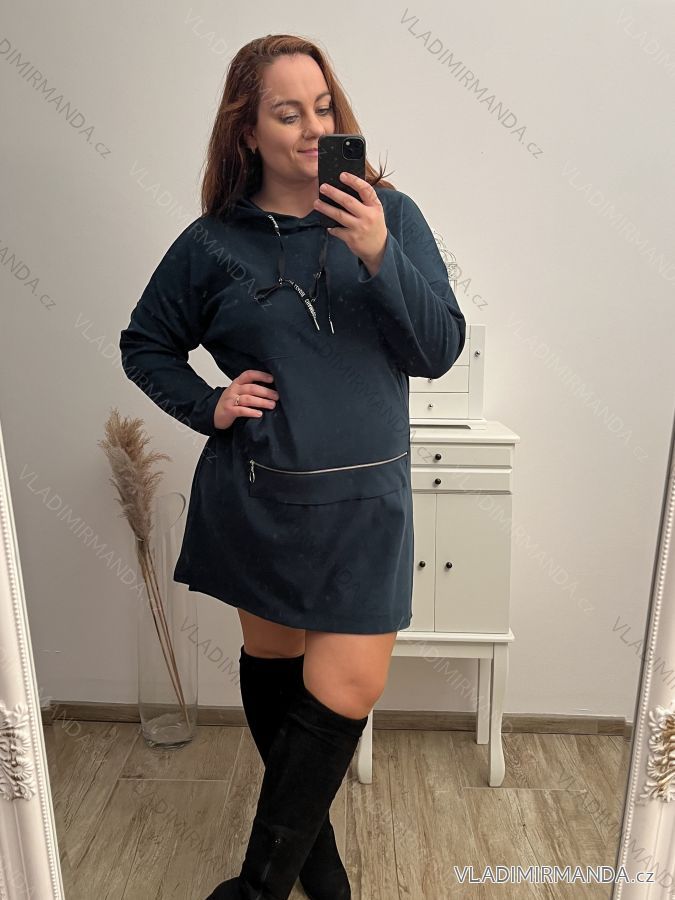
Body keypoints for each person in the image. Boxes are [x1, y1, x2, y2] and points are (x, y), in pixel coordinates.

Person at [119, 33, 466, 900]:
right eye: (287, 113)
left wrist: (378, 252)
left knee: (347, 686)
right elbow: (145, 343)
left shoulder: (391, 216)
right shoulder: (212, 243)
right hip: (260, 500)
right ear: (248, 130)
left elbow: (437, 351)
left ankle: (257, 887)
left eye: (322, 107)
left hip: (367, 505)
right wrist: (209, 404)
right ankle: (315, 858)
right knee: (275, 670)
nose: (313, 128)